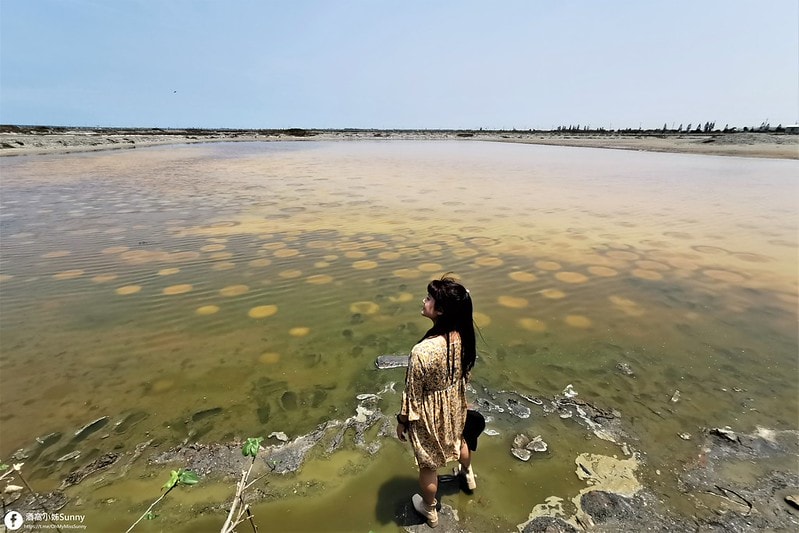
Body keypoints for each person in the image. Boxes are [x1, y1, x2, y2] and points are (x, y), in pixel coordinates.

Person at [396, 276, 477, 528]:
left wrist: (402, 421)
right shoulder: (462, 336)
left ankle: (429, 509)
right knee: (459, 440)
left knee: (428, 464)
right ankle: (467, 476)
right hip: (454, 403)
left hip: (430, 413)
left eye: (429, 298)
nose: (424, 300)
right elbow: (465, 373)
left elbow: (412, 394)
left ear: (440, 310)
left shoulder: (422, 351)